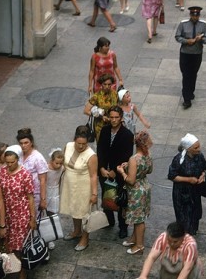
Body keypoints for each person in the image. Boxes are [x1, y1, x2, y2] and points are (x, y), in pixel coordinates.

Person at [0, 147, 36, 279]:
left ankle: (22, 273)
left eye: (12, 162)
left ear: (17, 160)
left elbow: (30, 198)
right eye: (7, 162)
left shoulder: (25, 174)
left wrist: (32, 217)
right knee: (9, 246)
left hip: (21, 215)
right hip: (6, 215)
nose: (9, 165)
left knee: (19, 247)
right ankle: (13, 270)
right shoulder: (1, 173)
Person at [96, 105, 134, 239]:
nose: (113, 120)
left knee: (121, 199)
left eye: (116, 117)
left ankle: (123, 227)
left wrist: (114, 171)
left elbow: (126, 156)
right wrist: (101, 168)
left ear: (121, 118)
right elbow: (100, 150)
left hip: (118, 172)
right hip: (103, 171)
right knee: (106, 195)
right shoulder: (105, 130)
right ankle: (109, 220)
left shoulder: (127, 135)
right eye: (111, 117)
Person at [59, 126, 98, 252]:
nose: (81, 146)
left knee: (85, 212)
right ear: (74, 139)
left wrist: (94, 193)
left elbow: (93, 176)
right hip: (70, 184)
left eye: (84, 144)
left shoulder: (91, 155)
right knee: (73, 208)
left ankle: (85, 238)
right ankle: (76, 231)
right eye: (78, 143)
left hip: (83, 187)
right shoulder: (68, 146)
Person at [117, 131, 153, 255]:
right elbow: (149, 170)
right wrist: (129, 166)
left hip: (136, 192)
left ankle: (139, 245)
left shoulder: (133, 159)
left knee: (139, 220)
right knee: (140, 217)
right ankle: (134, 239)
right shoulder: (148, 155)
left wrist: (122, 171)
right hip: (145, 187)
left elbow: (131, 180)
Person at [168, 133, 206, 236]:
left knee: (195, 213)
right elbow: (172, 176)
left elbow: (204, 168)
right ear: (188, 149)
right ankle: (184, 235)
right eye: (196, 147)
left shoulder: (199, 156)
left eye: (199, 146)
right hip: (182, 193)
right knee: (183, 217)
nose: (199, 149)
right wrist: (189, 179)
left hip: (195, 191)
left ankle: (192, 232)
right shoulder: (179, 160)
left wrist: (202, 176)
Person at [136, 222, 201, 279]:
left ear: (183, 237)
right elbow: (151, 257)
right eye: (169, 241)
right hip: (167, 273)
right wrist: (143, 276)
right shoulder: (163, 237)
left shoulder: (190, 245)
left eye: (175, 242)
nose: (172, 244)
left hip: (187, 273)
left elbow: (187, 268)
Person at [175, 6, 206, 109]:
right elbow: (177, 36)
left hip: (197, 53)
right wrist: (186, 41)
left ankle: (191, 91)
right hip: (185, 53)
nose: (195, 17)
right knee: (186, 75)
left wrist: (201, 39)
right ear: (190, 15)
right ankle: (186, 99)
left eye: (197, 15)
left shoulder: (203, 25)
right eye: (193, 15)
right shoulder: (183, 24)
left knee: (193, 74)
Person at [16, 127, 48, 212]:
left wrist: (43, 199)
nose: (23, 146)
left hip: (34, 195)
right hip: (20, 194)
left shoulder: (38, 158)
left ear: (31, 142)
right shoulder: (19, 155)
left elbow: (43, 180)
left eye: (26, 143)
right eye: (21, 143)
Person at [84, 72, 119, 143]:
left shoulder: (115, 94)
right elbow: (86, 111)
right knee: (102, 146)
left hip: (114, 124)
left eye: (109, 84)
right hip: (100, 126)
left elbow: (118, 107)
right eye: (105, 84)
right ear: (101, 84)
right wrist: (100, 116)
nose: (107, 86)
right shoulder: (96, 96)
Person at [46, 148, 64, 216]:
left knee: (53, 210)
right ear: (51, 161)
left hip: (55, 191)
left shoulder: (62, 168)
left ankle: (52, 222)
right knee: (46, 208)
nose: (58, 165)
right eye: (56, 163)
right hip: (47, 190)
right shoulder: (47, 168)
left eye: (60, 163)